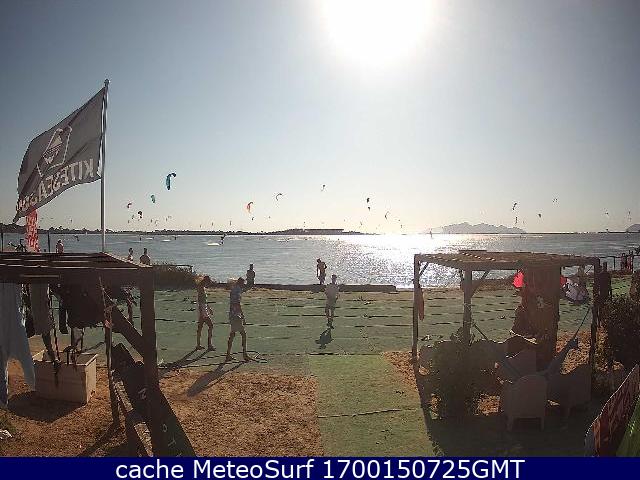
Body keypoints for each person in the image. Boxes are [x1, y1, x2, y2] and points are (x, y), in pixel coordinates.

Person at [225, 277, 250, 362]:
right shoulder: (237, 290)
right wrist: (243, 316)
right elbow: (238, 304)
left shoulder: (234, 289)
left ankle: (228, 354)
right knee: (243, 334)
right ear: (241, 283)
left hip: (232, 314)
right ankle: (244, 354)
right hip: (236, 315)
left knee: (232, 334)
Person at [196, 276, 215, 350]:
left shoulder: (202, 288)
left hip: (203, 309)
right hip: (202, 309)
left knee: (200, 327)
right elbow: (200, 301)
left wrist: (209, 309)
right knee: (210, 325)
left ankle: (198, 345)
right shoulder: (201, 289)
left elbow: (205, 301)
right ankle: (209, 345)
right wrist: (201, 312)